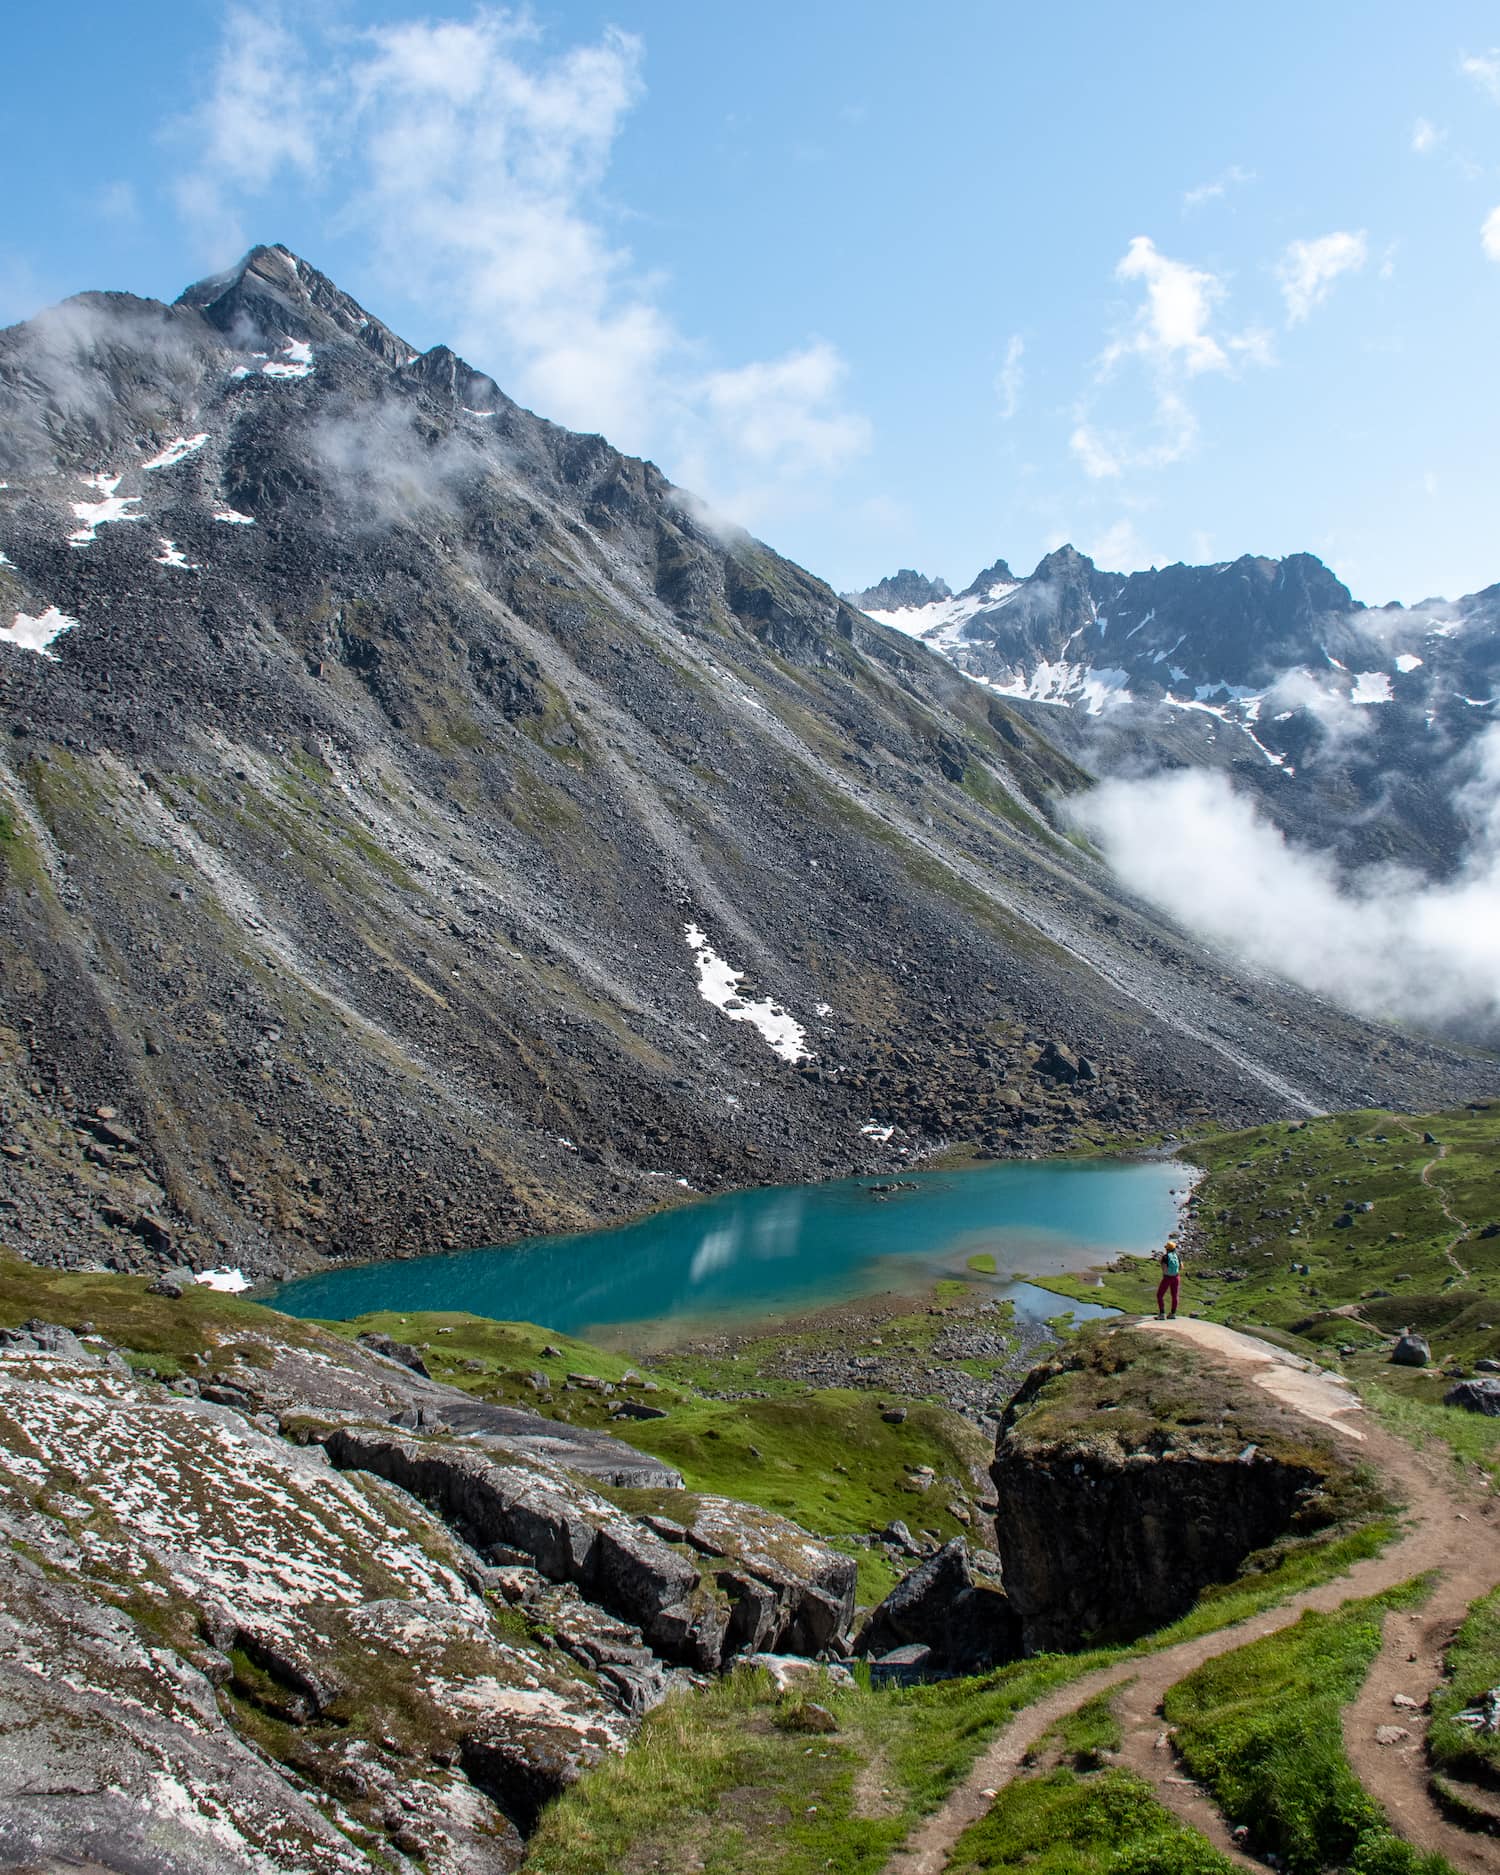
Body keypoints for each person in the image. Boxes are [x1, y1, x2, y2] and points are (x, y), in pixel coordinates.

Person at [1156, 1239, 1181, 1320]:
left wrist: (1161, 1262)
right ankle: (1173, 1314)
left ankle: (1162, 1314)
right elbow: (1181, 1267)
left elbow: (1164, 1269)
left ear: (1167, 1249)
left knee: (1159, 1295)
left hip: (1167, 1278)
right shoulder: (1177, 1256)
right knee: (1174, 1296)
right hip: (1176, 1277)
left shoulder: (1165, 1257)